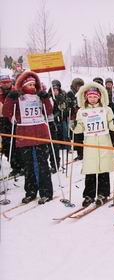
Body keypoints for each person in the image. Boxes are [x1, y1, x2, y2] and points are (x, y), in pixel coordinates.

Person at [3, 71, 54, 204]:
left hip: (40, 134)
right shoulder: (19, 97)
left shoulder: (39, 95)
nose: (32, 86)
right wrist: (10, 97)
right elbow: (6, 112)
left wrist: (46, 97)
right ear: (23, 85)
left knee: (43, 164)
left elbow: (48, 111)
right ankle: (31, 191)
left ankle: (46, 192)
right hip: (24, 135)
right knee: (28, 166)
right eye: (29, 84)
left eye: (33, 84)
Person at [70, 82, 114, 207]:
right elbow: (80, 127)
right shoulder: (82, 111)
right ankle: (89, 194)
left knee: (104, 169)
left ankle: (103, 193)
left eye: (95, 96)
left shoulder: (106, 109)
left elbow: (111, 125)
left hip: (104, 141)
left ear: (100, 97)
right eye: (90, 96)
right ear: (86, 97)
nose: (92, 99)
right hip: (90, 143)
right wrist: (74, 127)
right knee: (90, 169)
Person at [0, 74, 24, 177]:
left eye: (7, 82)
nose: (6, 84)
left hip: (14, 119)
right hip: (2, 120)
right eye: (3, 83)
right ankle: (15, 166)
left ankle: (21, 165)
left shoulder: (15, 91)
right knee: (6, 145)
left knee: (17, 143)